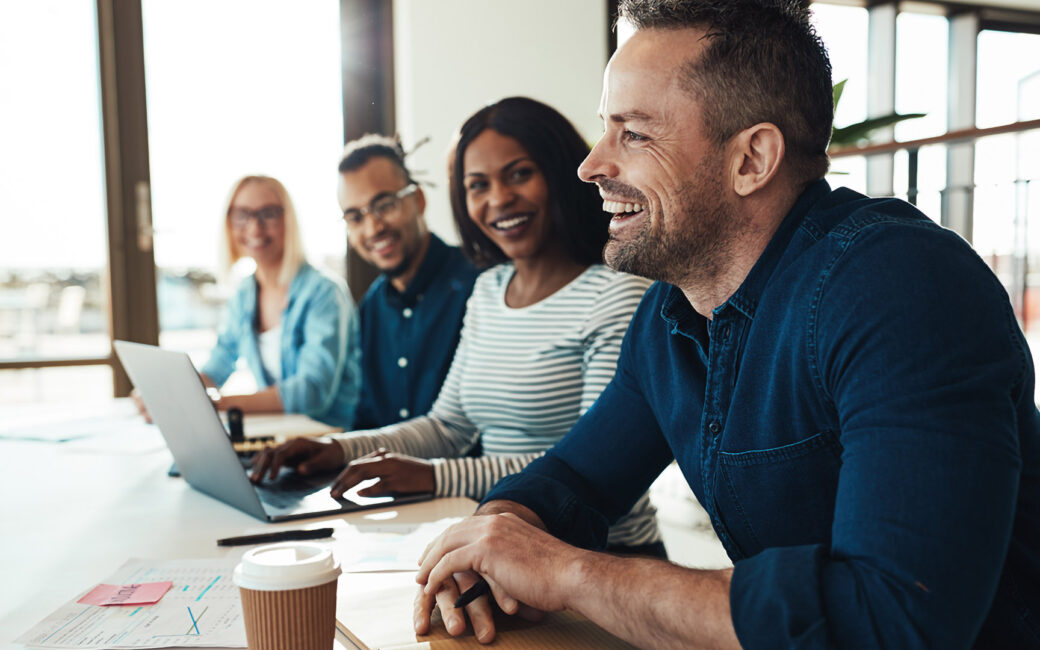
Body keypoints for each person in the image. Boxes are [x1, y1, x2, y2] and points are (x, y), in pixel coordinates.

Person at [412, 2, 1040, 648]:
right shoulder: (672, 313)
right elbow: (573, 479)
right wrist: (492, 542)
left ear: (751, 160)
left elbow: (886, 622)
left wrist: (566, 573)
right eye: (607, 129)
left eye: (633, 134)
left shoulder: (901, 287)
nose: (591, 164)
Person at [250, 97, 662, 581]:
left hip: (603, 561)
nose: (498, 199)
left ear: (558, 173)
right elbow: (449, 426)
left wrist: (432, 476)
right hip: (505, 542)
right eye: (477, 185)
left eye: (519, 174)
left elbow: (589, 462)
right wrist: (340, 449)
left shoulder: (616, 292)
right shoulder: (489, 289)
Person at [173, 175, 360, 428]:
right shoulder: (245, 293)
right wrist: (175, 395)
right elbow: (220, 361)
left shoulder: (325, 292)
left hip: (328, 440)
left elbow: (312, 392)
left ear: (289, 220)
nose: (254, 228)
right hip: (279, 436)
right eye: (242, 214)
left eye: (268, 214)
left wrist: (217, 405)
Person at [337, 134, 479, 430]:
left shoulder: (479, 286)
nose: (373, 227)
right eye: (355, 217)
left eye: (385, 205)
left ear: (418, 200)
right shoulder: (369, 309)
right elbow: (366, 420)